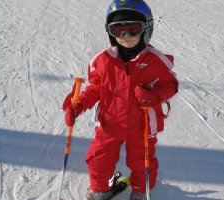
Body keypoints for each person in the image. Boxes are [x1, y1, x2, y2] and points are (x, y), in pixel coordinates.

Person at [62, 0, 179, 199]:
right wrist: (79, 105)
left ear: (146, 29)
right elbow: (97, 88)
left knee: (142, 161)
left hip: (142, 125)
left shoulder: (155, 61)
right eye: (118, 30)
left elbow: (170, 85)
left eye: (132, 29)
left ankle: (141, 190)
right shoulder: (103, 60)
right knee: (98, 158)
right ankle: (100, 189)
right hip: (109, 123)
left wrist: (154, 96)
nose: (124, 36)